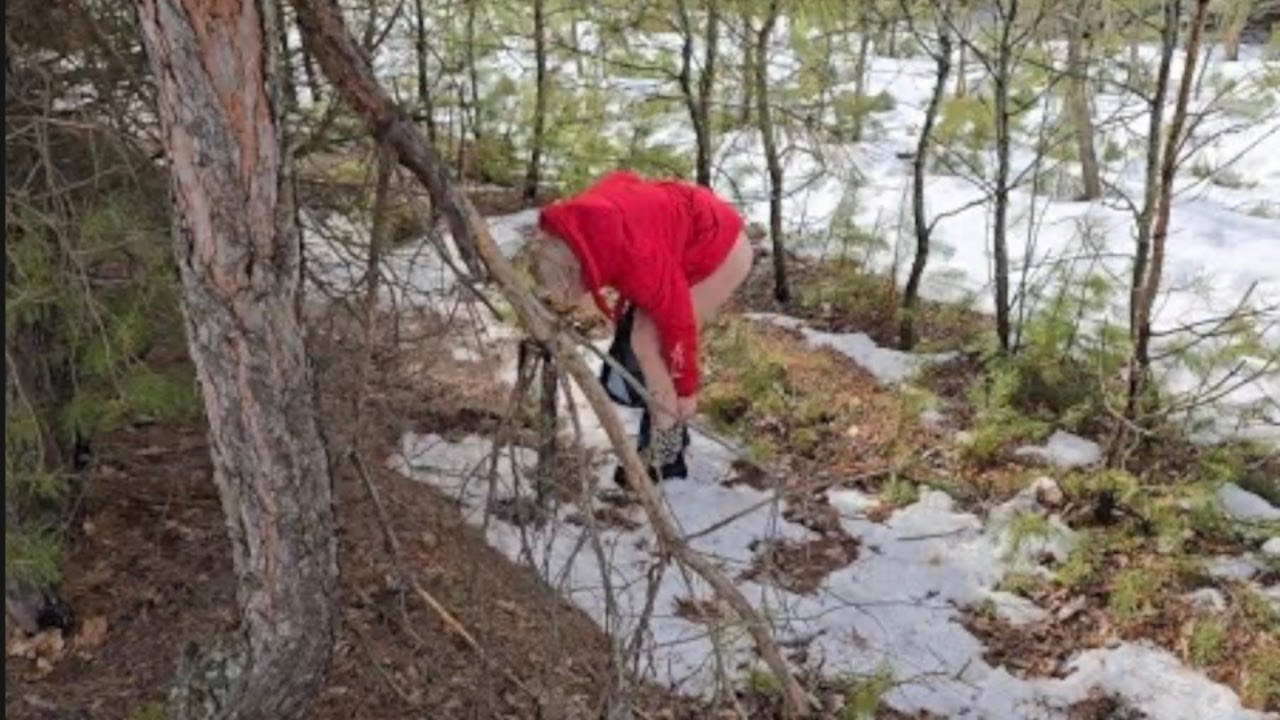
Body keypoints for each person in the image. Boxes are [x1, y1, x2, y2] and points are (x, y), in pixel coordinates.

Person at [531, 170, 753, 485]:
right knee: (642, 337)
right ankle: (664, 429)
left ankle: (666, 448)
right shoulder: (587, 223)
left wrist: (686, 388)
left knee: (649, 340)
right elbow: (623, 179)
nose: (574, 301)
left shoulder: (641, 260)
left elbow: (679, 328)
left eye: (571, 294)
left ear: (577, 273)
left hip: (722, 248)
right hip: (689, 226)